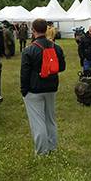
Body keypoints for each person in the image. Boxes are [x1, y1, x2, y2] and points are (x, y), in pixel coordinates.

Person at [20, 18, 66, 155]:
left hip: (34, 89)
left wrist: (24, 90)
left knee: (38, 121)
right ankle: (52, 147)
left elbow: (25, 73)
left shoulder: (29, 50)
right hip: (51, 87)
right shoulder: (56, 47)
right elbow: (62, 67)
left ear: (33, 30)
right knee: (50, 119)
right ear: (46, 30)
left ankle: (42, 152)